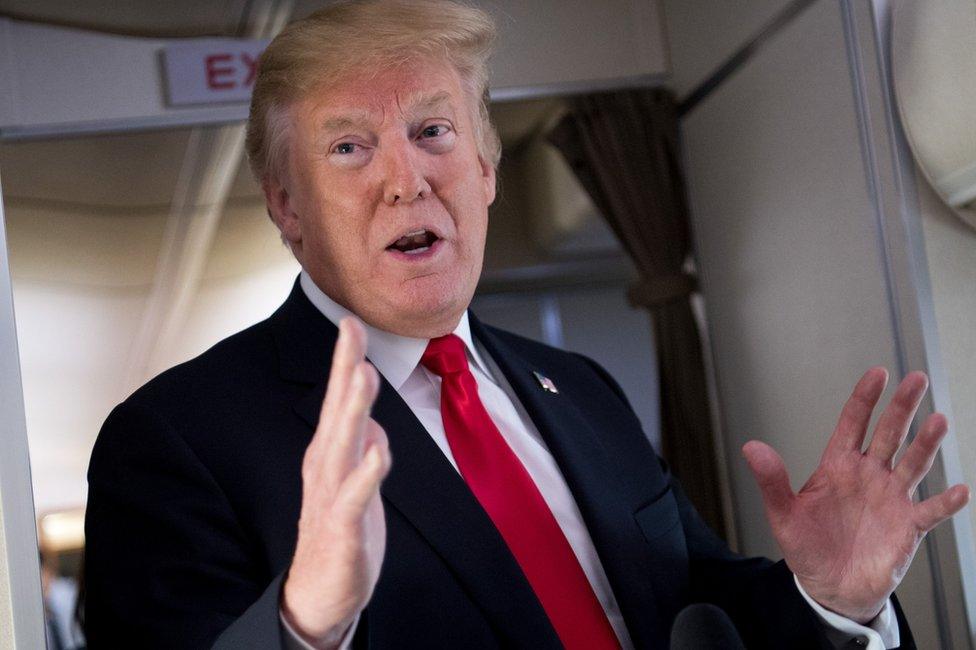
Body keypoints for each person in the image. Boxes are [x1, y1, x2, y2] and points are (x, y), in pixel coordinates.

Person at [82, 1, 970, 648]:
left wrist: (827, 599)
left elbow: (697, 608)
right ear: (287, 204)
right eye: (349, 147)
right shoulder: (174, 441)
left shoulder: (579, 389)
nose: (406, 180)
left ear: (486, 169)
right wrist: (305, 630)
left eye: (433, 131)